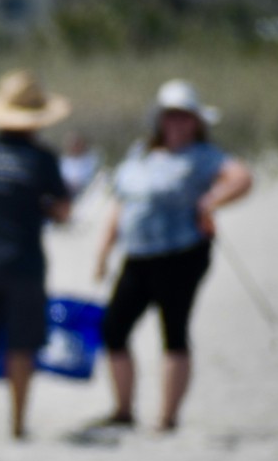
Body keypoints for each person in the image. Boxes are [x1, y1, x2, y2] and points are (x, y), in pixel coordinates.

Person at [93, 79, 252, 432]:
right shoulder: (142, 156)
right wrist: (103, 251)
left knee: (173, 330)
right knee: (113, 329)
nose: (177, 124)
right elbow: (122, 205)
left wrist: (211, 201)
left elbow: (241, 178)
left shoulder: (204, 156)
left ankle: (167, 417)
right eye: (170, 117)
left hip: (181, 254)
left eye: (184, 117)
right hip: (137, 254)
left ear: (196, 122)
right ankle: (122, 409)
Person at [0, 69, 72, 440]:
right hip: (24, 260)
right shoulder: (42, 159)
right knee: (22, 346)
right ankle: (17, 425)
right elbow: (62, 209)